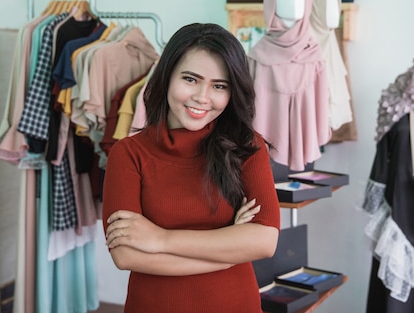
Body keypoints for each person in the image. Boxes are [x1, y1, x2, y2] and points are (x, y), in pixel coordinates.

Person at [101, 23, 281, 313]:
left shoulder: (247, 146)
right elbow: (126, 255)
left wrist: (160, 238)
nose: (202, 97)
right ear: (167, 76)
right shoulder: (128, 154)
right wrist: (229, 249)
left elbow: (263, 242)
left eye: (219, 86)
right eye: (190, 79)